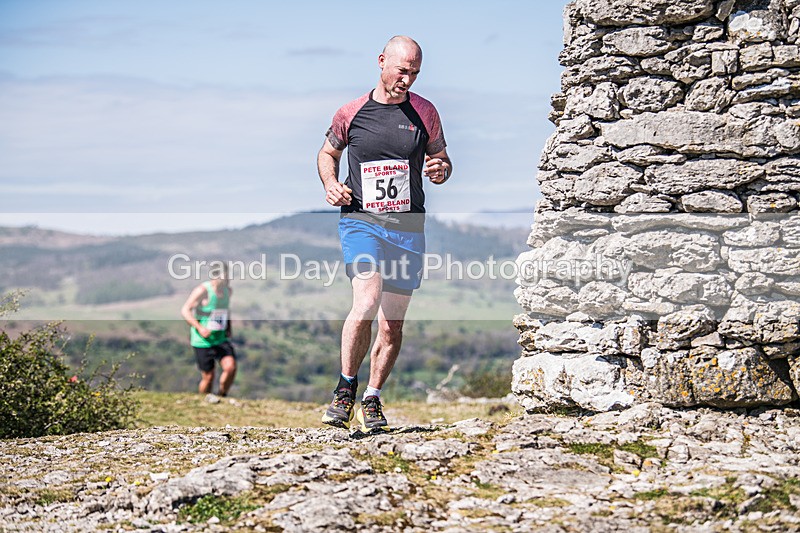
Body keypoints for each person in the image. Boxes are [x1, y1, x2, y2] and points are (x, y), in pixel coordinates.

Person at [317, 35, 453, 433]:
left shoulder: (424, 112)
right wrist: (330, 184)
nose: (406, 79)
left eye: (415, 73)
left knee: (392, 324)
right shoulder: (351, 112)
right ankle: (345, 389)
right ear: (381, 62)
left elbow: (441, 158)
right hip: (361, 221)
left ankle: (372, 398)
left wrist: (441, 170)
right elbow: (328, 153)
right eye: (401, 70)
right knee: (366, 301)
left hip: (407, 228)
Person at [180, 263, 237, 397]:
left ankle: (222, 396)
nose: (227, 278)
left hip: (220, 338)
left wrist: (228, 327)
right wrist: (200, 328)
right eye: (224, 275)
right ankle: (204, 401)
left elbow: (225, 309)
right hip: (202, 340)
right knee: (209, 376)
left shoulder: (228, 291)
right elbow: (185, 310)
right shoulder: (203, 291)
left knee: (230, 367)